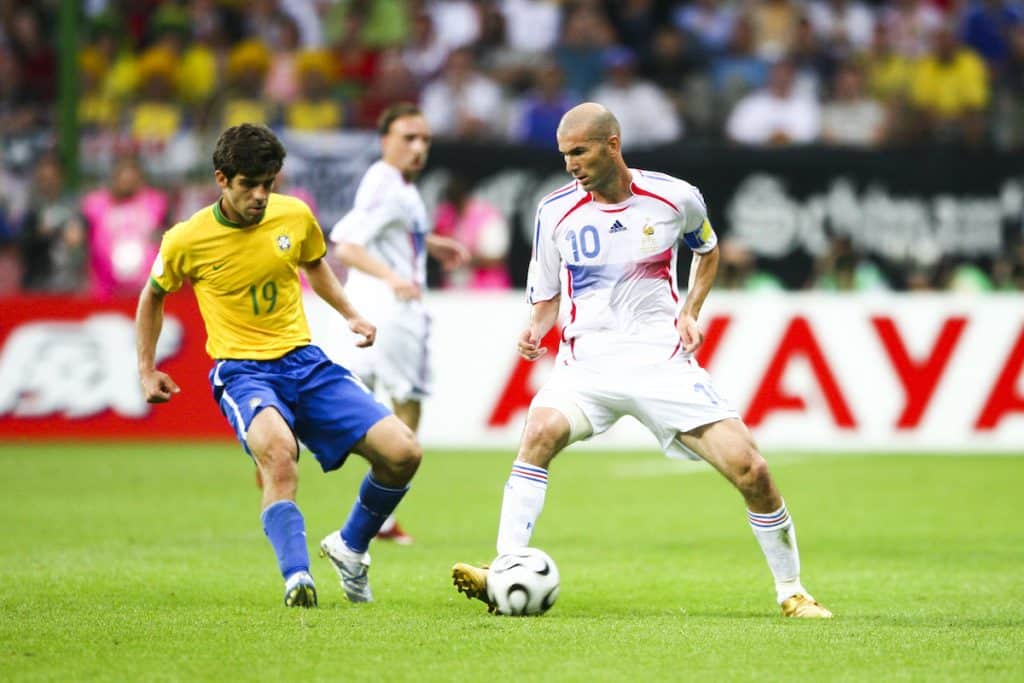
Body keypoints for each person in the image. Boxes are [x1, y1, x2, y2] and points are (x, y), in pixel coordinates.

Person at [450, 103, 832, 619]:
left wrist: (690, 311)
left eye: (579, 152)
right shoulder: (554, 212)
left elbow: (708, 249)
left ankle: (792, 591)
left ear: (612, 145)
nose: (570, 165)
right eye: (564, 155)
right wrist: (535, 328)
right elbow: (544, 296)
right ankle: (506, 567)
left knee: (752, 470)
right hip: (586, 370)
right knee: (537, 434)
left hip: (661, 366)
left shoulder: (674, 198)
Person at [135, 123, 422, 608]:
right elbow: (153, 296)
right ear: (222, 179)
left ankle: (351, 548)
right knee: (278, 455)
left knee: (403, 452)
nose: (262, 195)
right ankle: (297, 578)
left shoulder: (294, 215)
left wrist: (351, 313)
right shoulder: (187, 239)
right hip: (243, 371)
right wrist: (146, 368)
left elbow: (315, 264)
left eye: (269, 183)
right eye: (250, 184)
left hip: (305, 364)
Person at [330, 103, 469, 544]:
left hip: (371, 309)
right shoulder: (385, 183)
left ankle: (287, 441)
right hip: (395, 310)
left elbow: (379, 232)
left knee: (362, 405)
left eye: (425, 139)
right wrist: (394, 277)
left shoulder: (394, 186)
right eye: (408, 137)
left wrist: (428, 244)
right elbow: (347, 245)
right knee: (407, 410)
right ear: (384, 140)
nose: (419, 147)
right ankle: (380, 512)